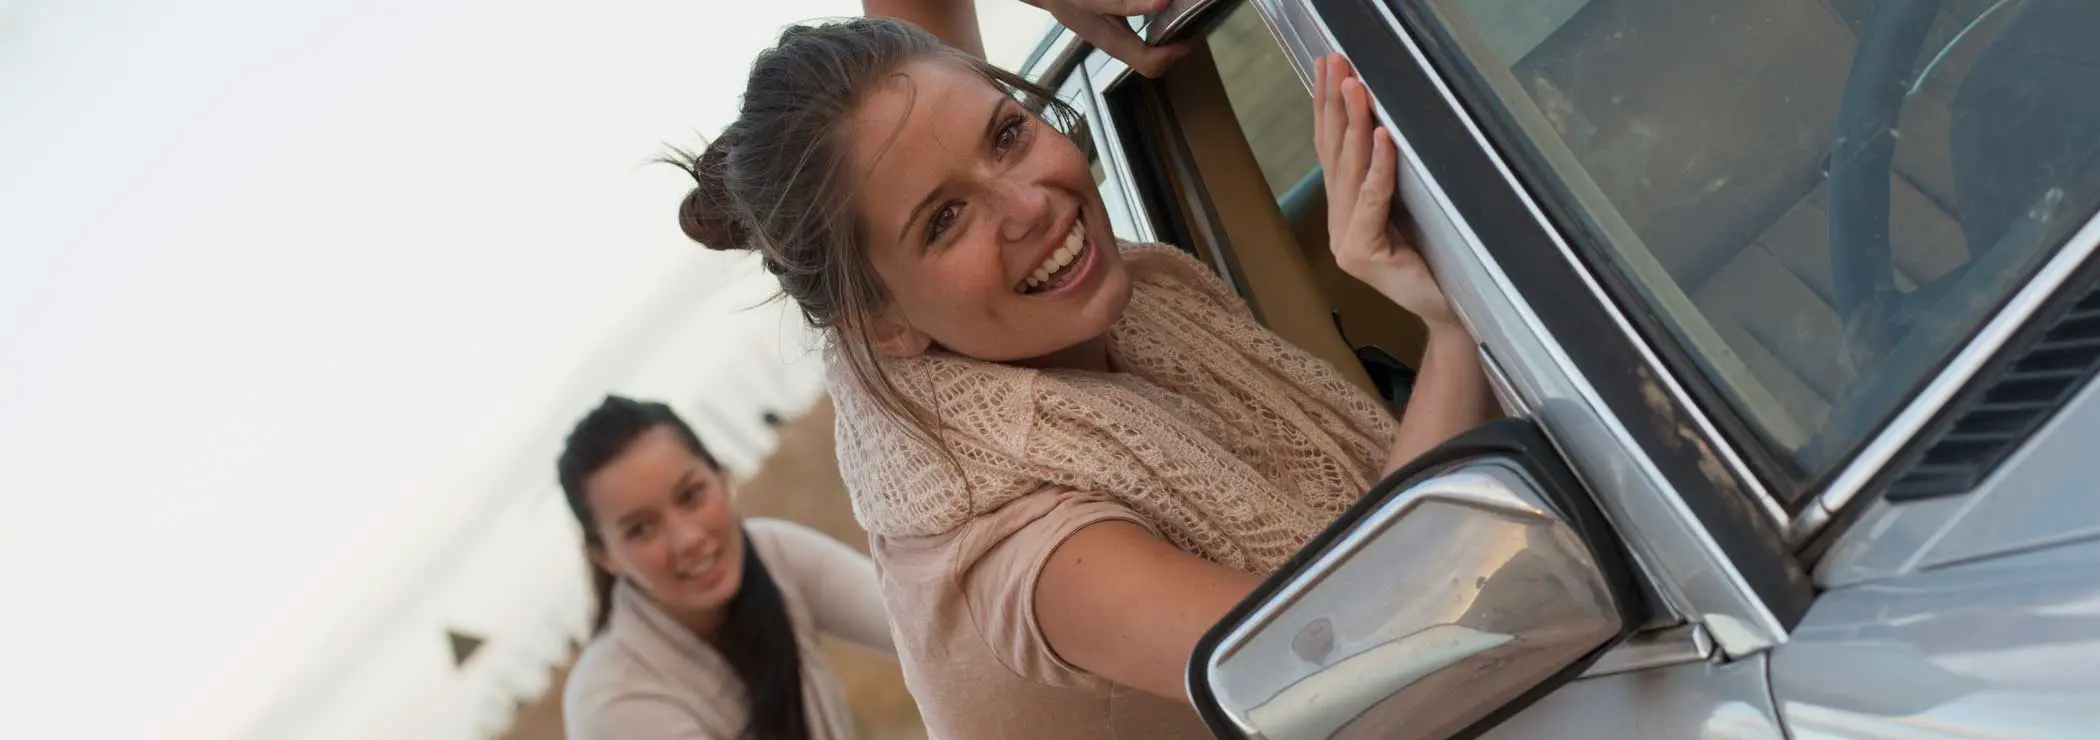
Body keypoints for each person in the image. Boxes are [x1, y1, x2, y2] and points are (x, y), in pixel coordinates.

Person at [663, 4, 1497, 737]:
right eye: (945, 221)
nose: (1030, 202)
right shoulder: (1028, 551)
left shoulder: (1053, 310)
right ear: (881, 324)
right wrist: (1454, 321)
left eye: (1008, 133)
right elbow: (1385, 652)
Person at [557, 396, 893, 740]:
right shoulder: (611, 703)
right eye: (641, 529)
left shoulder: (774, 553)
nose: (686, 539)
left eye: (691, 496)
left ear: (721, 476)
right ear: (604, 556)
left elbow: (921, 624)